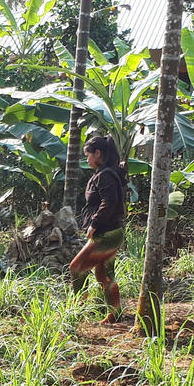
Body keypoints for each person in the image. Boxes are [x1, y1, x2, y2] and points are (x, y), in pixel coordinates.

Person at [68, 135, 128, 323]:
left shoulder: (106, 174)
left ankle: (78, 309)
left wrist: (94, 224)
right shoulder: (108, 172)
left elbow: (109, 202)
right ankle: (114, 314)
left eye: (88, 155)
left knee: (76, 267)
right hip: (113, 231)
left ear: (98, 153)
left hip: (106, 233)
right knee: (104, 274)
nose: (87, 160)